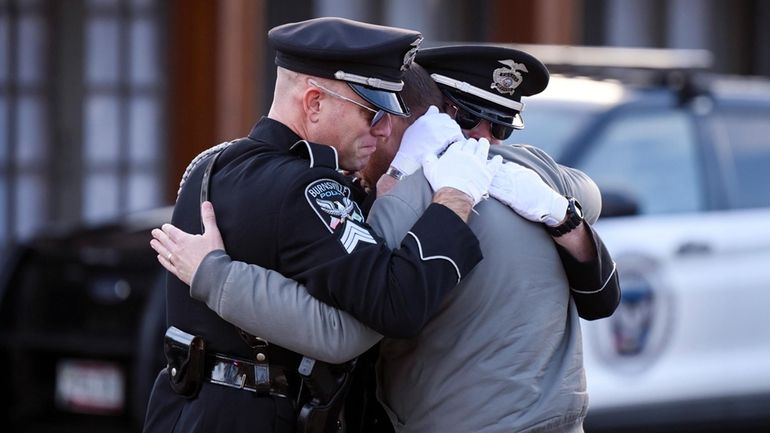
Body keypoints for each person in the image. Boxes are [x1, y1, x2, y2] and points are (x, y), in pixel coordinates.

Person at [151, 45, 620, 433]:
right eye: (475, 124)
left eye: (497, 128)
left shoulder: (421, 198)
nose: (486, 142)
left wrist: (213, 274)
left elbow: (341, 332)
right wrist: (564, 211)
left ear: (410, 123)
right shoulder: (533, 174)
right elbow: (588, 195)